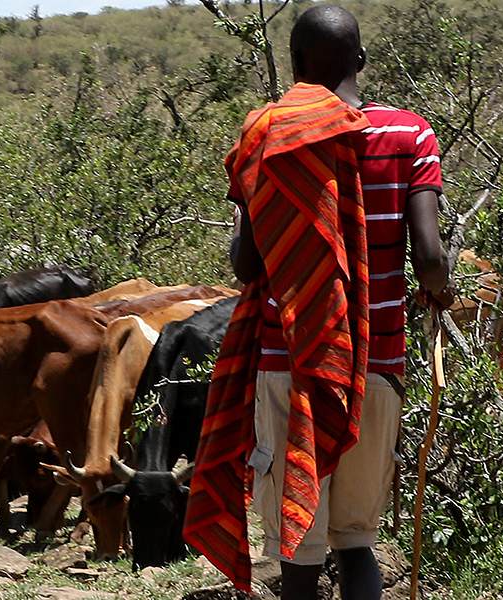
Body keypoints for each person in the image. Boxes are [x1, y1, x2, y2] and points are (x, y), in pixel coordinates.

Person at [185, 6, 455, 600]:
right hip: (376, 365)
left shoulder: (268, 134)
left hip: (290, 362)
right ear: (361, 59)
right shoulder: (411, 135)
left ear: (296, 61)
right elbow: (430, 258)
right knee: (356, 542)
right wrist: (442, 290)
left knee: (299, 553)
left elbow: (248, 266)